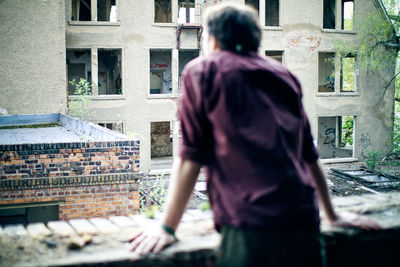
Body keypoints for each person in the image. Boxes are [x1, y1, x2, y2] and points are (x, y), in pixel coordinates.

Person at [129, 3, 380, 266]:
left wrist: (167, 227)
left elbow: (191, 155)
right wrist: (332, 215)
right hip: (303, 221)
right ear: (254, 39)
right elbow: (309, 154)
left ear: (213, 40)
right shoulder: (283, 75)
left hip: (252, 225)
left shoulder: (202, 71)